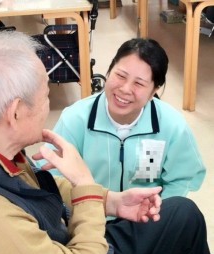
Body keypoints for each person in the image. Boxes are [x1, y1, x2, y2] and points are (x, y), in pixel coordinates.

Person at [0, 31, 214, 254]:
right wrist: (85, 185)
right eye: (46, 94)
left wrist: (111, 201)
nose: (50, 105)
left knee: (183, 213)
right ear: (16, 112)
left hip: (72, 248)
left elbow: (39, 190)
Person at [40, 38, 206, 201]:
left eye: (139, 84)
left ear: (154, 89)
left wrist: (159, 213)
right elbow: (53, 176)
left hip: (146, 219)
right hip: (91, 213)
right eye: (120, 75)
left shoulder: (172, 125)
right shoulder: (75, 119)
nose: (125, 89)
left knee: (189, 214)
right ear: (109, 70)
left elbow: (183, 177)